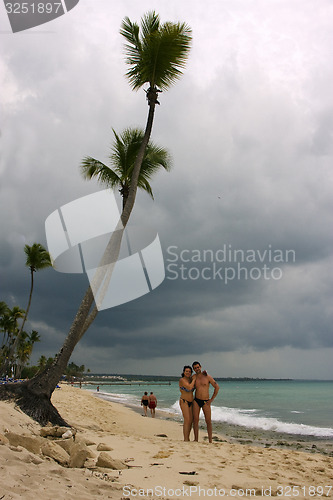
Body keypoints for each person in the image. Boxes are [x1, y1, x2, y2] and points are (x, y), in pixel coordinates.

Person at [192, 361, 219, 443]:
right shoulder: (194, 377)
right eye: (195, 368)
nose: (197, 369)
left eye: (198, 367)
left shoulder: (207, 377)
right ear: (194, 369)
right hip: (196, 400)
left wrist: (211, 400)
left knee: (208, 421)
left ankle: (210, 440)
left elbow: (217, 387)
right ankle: (196, 439)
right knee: (195, 420)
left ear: (200, 367)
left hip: (206, 401)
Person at [179, 365, 196, 441]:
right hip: (184, 401)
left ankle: (188, 437)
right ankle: (185, 439)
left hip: (191, 402)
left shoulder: (191, 379)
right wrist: (194, 379)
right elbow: (189, 387)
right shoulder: (182, 380)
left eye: (189, 371)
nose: (188, 373)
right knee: (187, 420)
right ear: (183, 372)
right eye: (186, 371)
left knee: (191, 420)